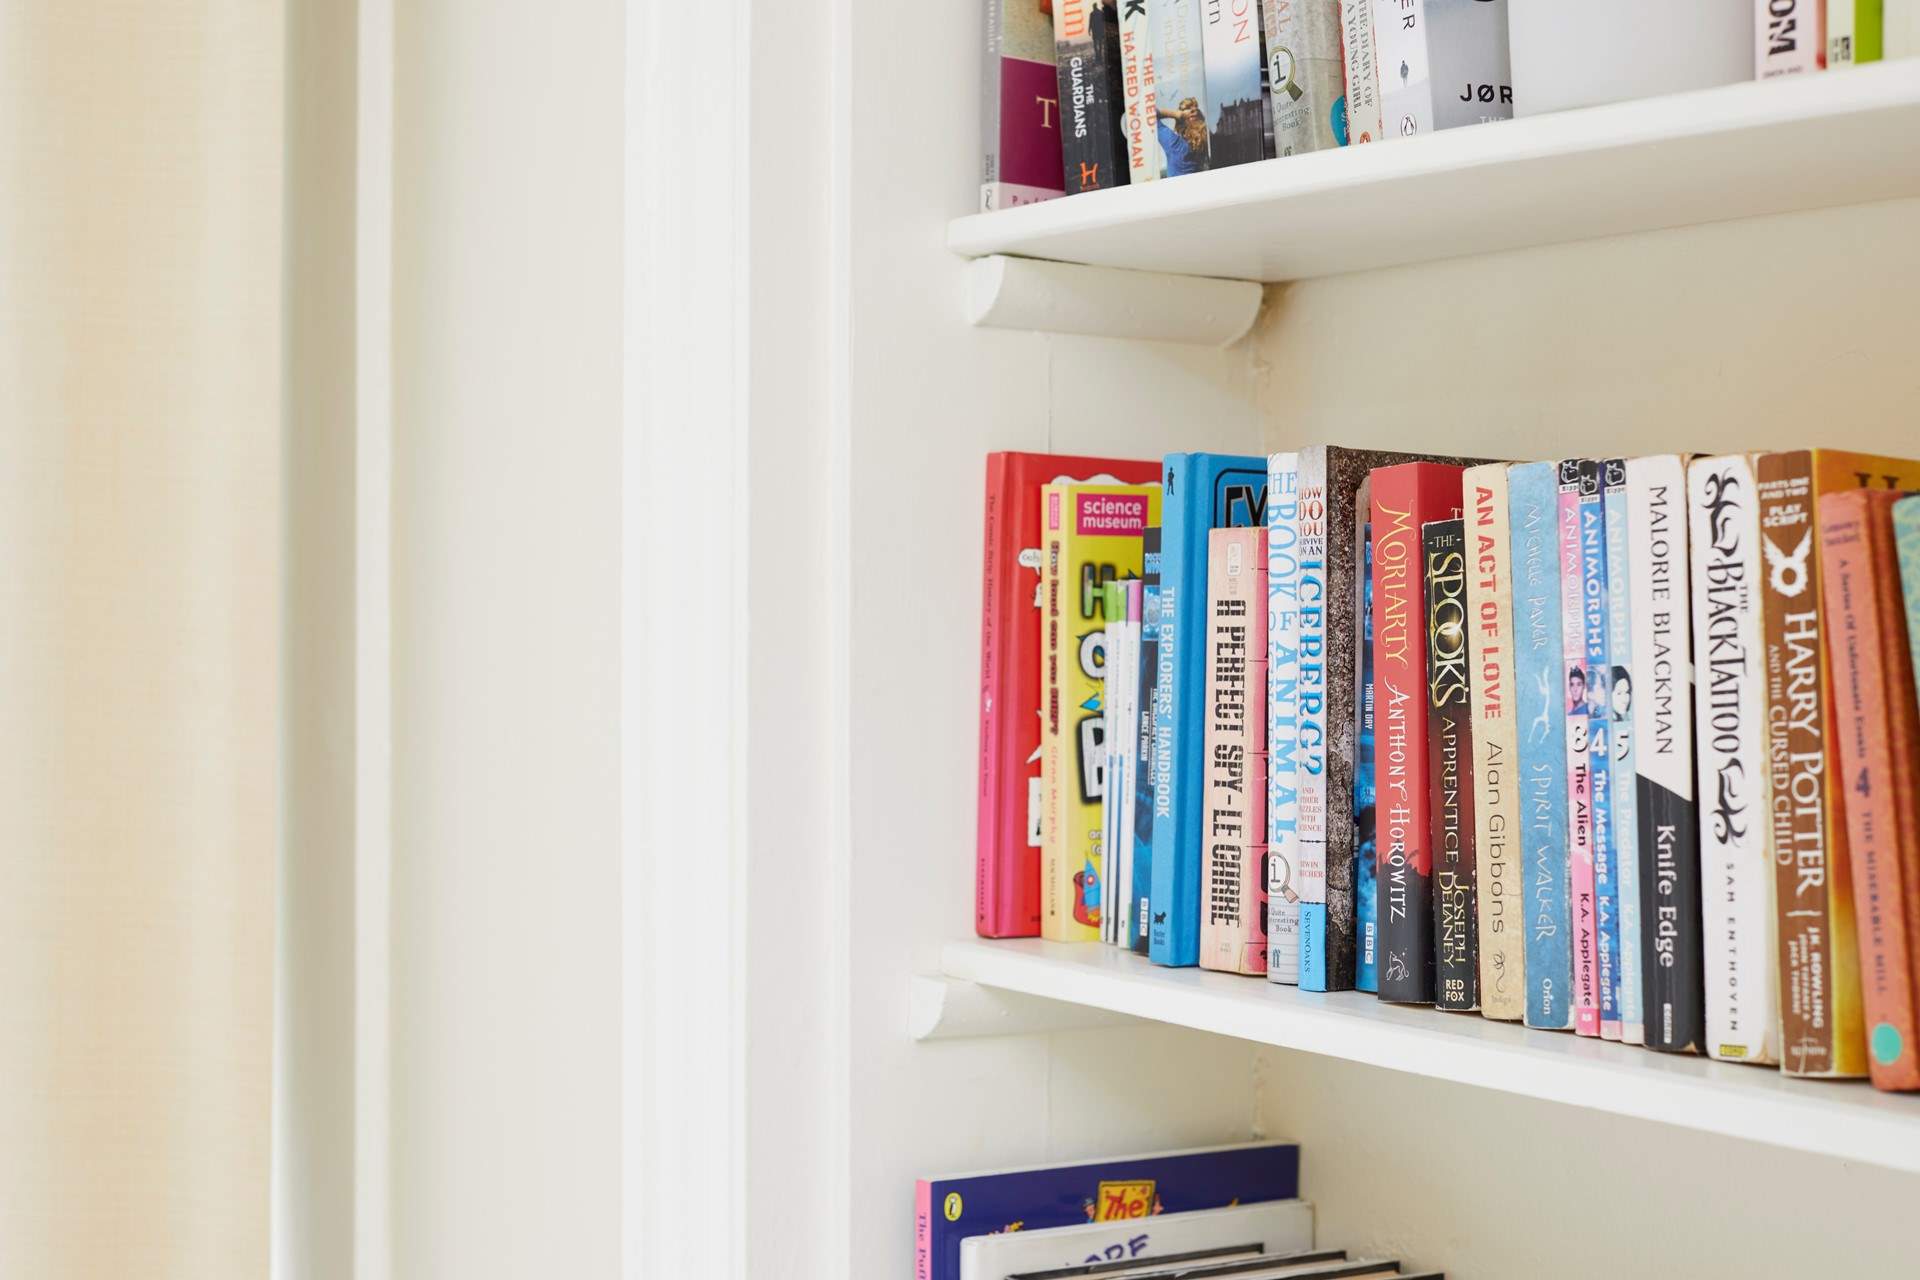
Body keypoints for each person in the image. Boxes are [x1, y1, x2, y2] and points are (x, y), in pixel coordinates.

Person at [1156, 97, 1209, 177]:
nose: (1194, 111)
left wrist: (1177, 114)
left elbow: (1148, 115)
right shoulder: (1207, 144)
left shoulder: (1175, 145)